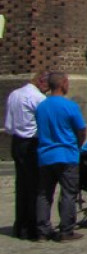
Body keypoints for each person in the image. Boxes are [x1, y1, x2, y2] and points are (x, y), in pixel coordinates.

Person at [34, 72, 87, 242]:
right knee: (68, 194)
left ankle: (42, 230)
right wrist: (78, 145)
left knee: (44, 194)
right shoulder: (70, 106)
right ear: (63, 84)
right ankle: (66, 230)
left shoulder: (41, 106)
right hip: (66, 154)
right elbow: (81, 129)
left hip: (45, 155)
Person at [5, 71, 48, 240]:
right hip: (32, 143)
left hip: (17, 142)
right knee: (34, 186)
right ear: (41, 82)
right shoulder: (38, 98)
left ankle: (20, 225)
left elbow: (9, 123)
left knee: (21, 184)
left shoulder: (14, 94)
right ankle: (31, 226)